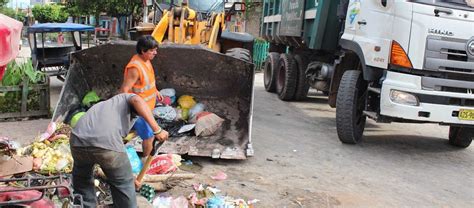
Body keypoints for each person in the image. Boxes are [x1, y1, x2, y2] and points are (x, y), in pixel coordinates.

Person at [70, 93, 169, 208]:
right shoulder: (128, 98)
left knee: (82, 181)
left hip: (77, 142)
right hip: (104, 142)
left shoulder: (108, 107)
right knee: (123, 185)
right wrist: (157, 130)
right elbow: (137, 100)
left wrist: (129, 176)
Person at [120, 35, 163, 156]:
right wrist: (127, 110)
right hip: (138, 110)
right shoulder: (135, 67)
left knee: (144, 133)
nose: (155, 53)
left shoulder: (146, 60)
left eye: (155, 50)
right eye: (152, 51)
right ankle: (146, 162)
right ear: (143, 51)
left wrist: (155, 90)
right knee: (149, 136)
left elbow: (147, 81)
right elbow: (124, 89)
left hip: (146, 108)